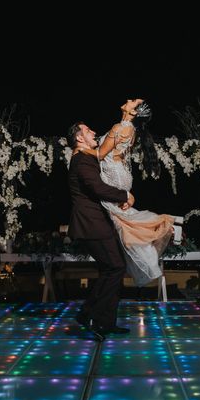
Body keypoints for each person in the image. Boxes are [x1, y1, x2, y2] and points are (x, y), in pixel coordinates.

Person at [78, 99, 180, 286]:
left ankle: (150, 247)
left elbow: (100, 154)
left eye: (133, 102)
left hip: (115, 177)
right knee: (123, 217)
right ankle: (147, 247)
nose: (129, 100)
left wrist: (81, 148)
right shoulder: (129, 129)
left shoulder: (122, 127)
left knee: (121, 217)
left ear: (134, 112)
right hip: (120, 175)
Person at [67, 121, 135, 339]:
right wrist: (125, 195)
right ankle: (93, 317)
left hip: (98, 222)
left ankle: (102, 320)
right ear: (79, 138)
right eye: (88, 130)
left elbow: (107, 147)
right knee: (115, 268)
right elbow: (96, 188)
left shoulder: (86, 157)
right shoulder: (81, 160)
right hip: (91, 223)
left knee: (112, 269)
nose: (94, 131)